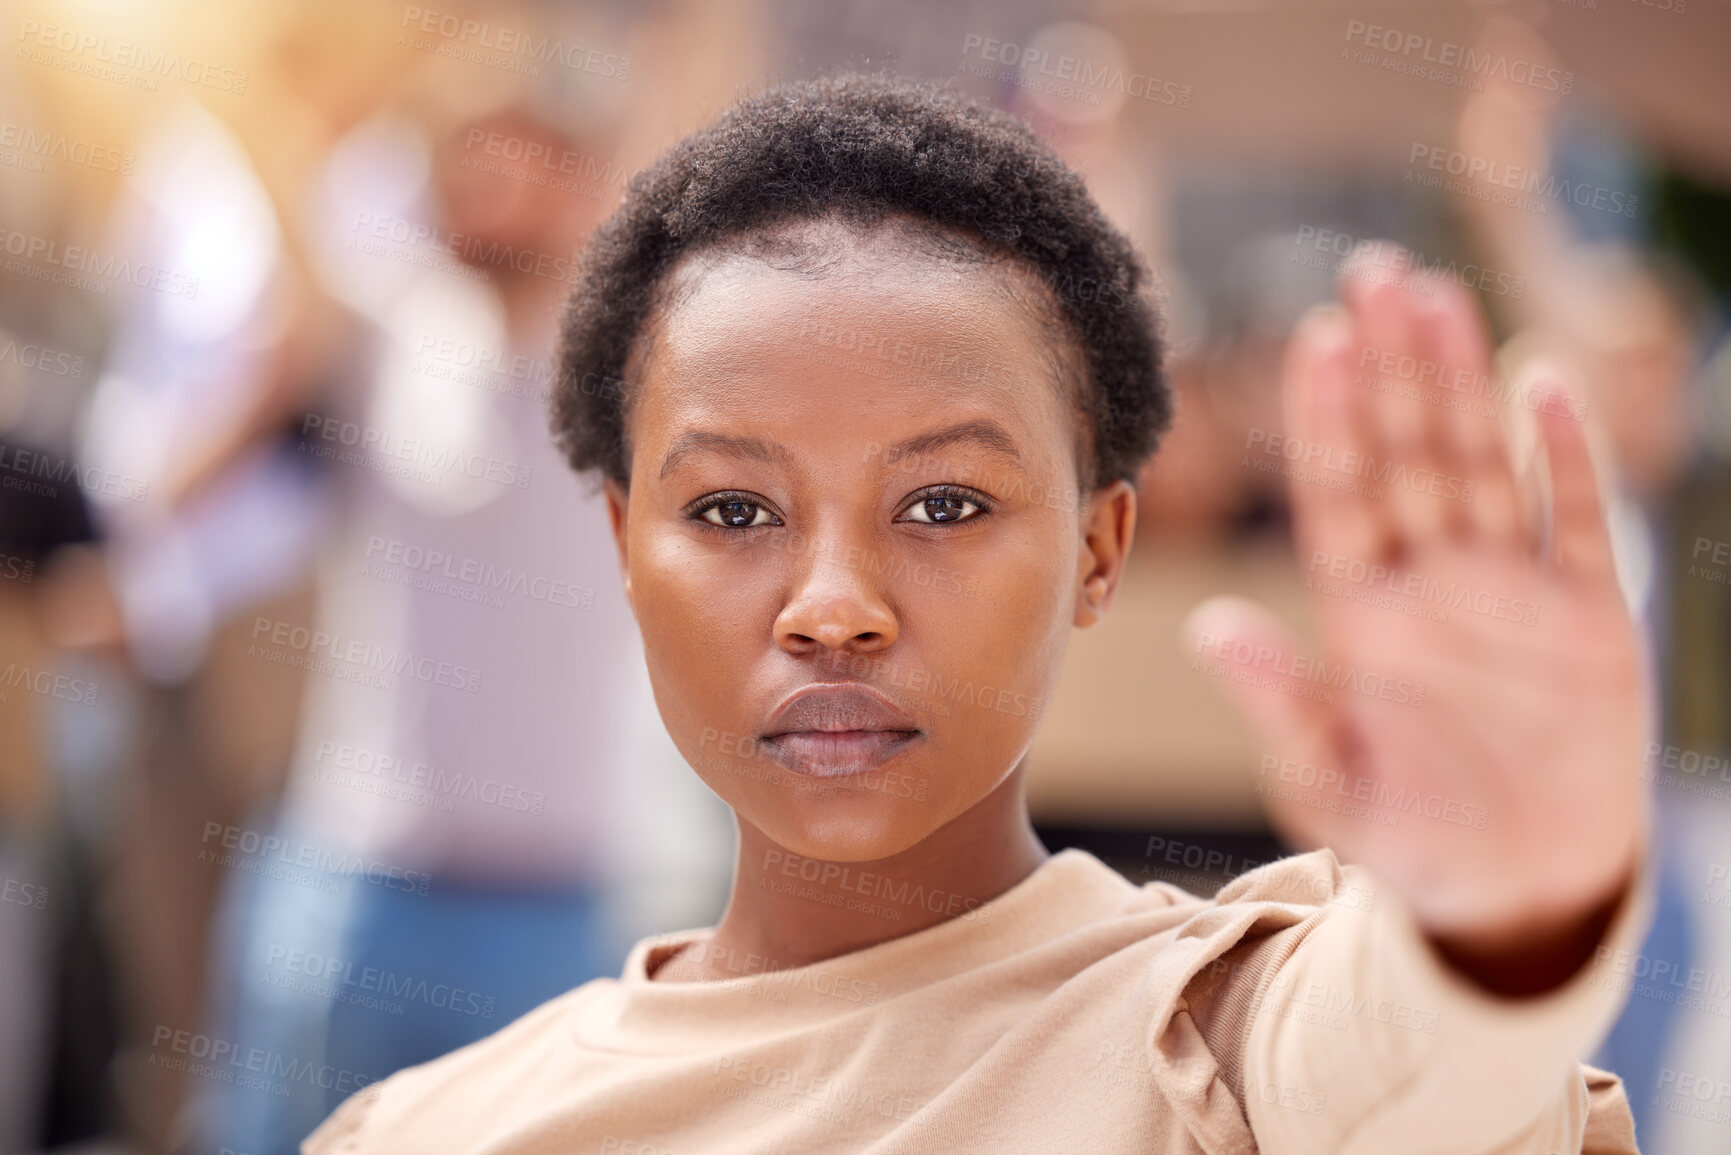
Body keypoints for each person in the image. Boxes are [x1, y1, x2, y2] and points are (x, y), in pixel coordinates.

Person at [303, 75, 1654, 1154]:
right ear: (622, 549)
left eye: (945, 504)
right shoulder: (427, 1130)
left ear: (1096, 549)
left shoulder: (1220, 1043)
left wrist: (1489, 926)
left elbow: (1412, 1074)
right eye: (731, 511)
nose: (834, 610)